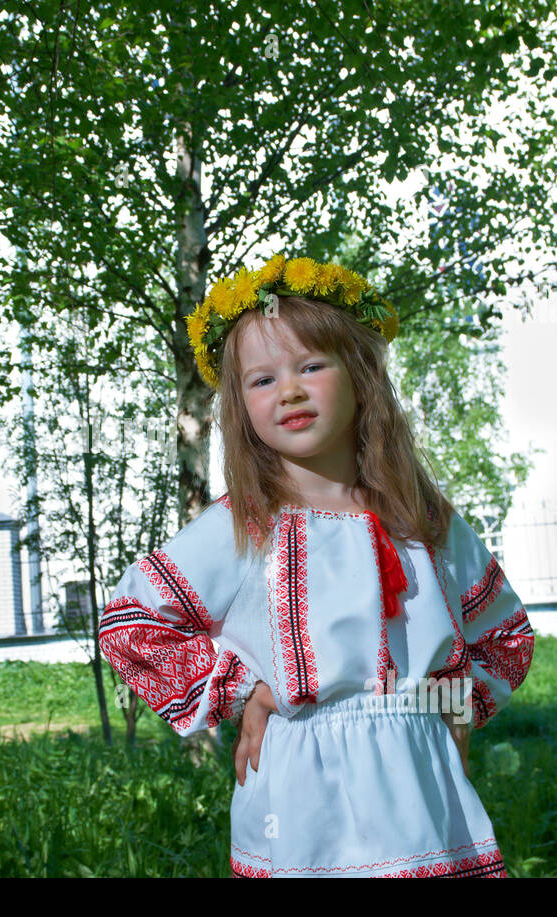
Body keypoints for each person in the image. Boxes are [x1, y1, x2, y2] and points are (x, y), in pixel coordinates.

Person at [99, 254, 534, 877]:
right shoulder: (243, 525)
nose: (291, 391)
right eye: (262, 379)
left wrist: (459, 702)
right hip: (303, 801)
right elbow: (130, 623)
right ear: (239, 403)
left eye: (311, 366)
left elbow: (504, 634)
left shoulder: (422, 518)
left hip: (422, 793)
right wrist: (241, 689)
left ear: (360, 374)